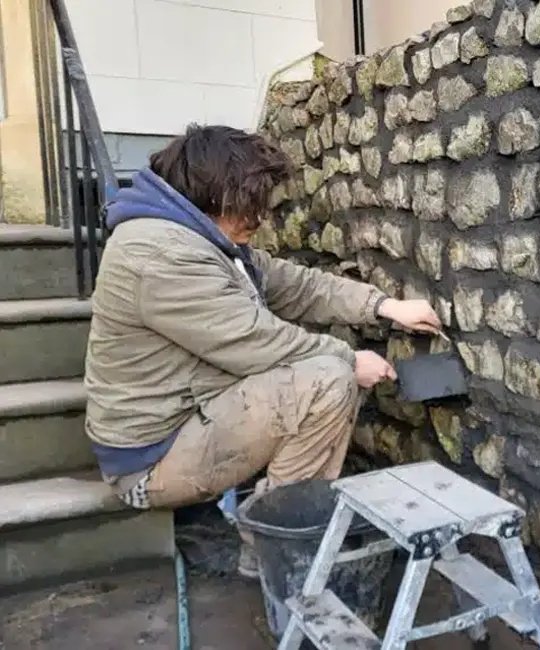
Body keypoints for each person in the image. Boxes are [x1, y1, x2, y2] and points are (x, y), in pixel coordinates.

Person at [84, 124, 442, 576]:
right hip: (153, 460)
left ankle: (269, 518)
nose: (261, 218)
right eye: (251, 206)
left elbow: (296, 284)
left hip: (183, 422)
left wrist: (385, 306)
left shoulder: (199, 237)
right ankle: (271, 550)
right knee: (326, 382)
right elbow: (257, 343)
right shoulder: (161, 254)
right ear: (216, 196)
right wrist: (350, 361)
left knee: (325, 367)